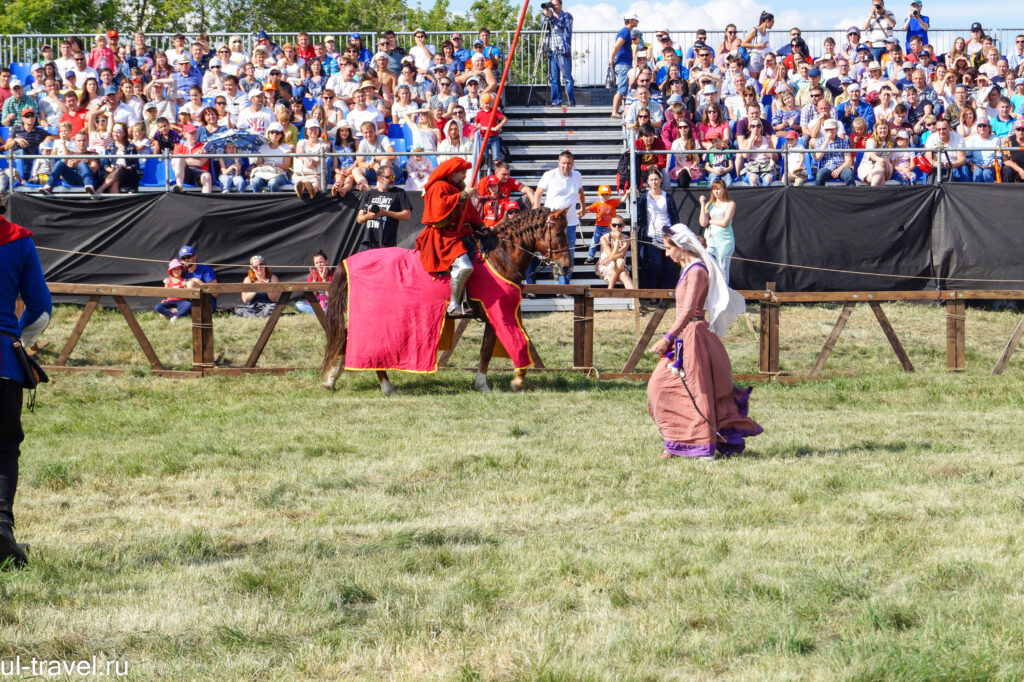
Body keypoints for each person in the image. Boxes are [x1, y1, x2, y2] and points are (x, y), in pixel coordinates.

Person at [646, 223, 761, 460]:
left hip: (693, 335)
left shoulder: (697, 271)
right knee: (662, 387)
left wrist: (666, 338)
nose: (667, 253)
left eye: (669, 248)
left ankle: (701, 445)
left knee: (697, 391)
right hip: (684, 336)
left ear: (681, 246)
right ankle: (677, 441)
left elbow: (689, 310)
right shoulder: (687, 269)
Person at [0, 204, 51, 569]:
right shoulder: (19, 241)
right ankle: (1, 527)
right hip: (3, 362)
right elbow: (41, 308)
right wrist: (14, 337)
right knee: (3, 448)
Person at [414, 157, 486, 317]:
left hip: (464, 235)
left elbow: (471, 212)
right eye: (462, 173)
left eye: (466, 173)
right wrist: (461, 196)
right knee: (464, 267)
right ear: (452, 173)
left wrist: (481, 226)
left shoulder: (457, 188)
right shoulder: (439, 187)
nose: (465, 176)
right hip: (445, 236)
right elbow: (439, 213)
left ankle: (472, 301)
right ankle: (453, 306)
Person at [533, 150, 585, 285]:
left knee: (570, 256)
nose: (565, 166)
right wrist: (536, 212)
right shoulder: (549, 175)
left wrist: (583, 207)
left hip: (571, 222)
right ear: (558, 162)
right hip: (552, 223)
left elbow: (580, 192)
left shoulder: (577, 175)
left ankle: (564, 286)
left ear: (573, 164)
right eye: (563, 163)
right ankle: (561, 286)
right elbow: (538, 193)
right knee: (557, 254)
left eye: (568, 163)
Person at [636, 167, 679, 291]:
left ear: (661, 180)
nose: (654, 182)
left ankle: (665, 294)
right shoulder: (644, 197)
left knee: (668, 266)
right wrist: (638, 199)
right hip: (651, 235)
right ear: (648, 182)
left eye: (656, 179)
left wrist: (675, 233)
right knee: (655, 265)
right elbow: (640, 216)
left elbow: (674, 216)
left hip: (668, 235)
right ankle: (653, 294)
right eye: (651, 180)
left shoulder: (668, 197)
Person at [356, 166, 412, 250]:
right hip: (368, 242)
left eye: (393, 176)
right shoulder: (369, 194)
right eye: (389, 177)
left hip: (387, 243)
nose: (393, 179)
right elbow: (359, 219)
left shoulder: (399, 193)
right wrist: (369, 216)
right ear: (380, 178)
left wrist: (384, 213)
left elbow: (407, 215)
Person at [698, 179, 736, 285]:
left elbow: (725, 223)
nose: (716, 192)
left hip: (725, 241)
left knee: (723, 269)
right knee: (707, 265)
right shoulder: (709, 205)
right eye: (714, 189)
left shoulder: (730, 204)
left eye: (719, 189)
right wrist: (702, 203)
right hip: (711, 241)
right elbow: (703, 222)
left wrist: (710, 221)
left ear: (724, 189)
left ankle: (725, 297)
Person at [543, 0, 575, 107]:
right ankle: (556, 101)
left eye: (556, 5)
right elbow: (542, 26)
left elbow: (563, 25)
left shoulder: (567, 16)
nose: (554, 7)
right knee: (554, 78)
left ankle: (571, 101)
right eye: (552, 5)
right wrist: (545, 15)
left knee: (567, 77)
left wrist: (552, 17)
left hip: (563, 50)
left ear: (561, 5)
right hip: (552, 50)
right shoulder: (549, 15)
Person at [609, 13, 641, 118]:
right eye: (636, 20)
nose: (638, 22)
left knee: (623, 89)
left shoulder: (625, 31)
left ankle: (616, 111)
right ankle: (614, 112)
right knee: (622, 89)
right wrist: (611, 58)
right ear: (631, 21)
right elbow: (617, 45)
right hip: (623, 65)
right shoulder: (625, 32)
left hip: (623, 64)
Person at [584, 185, 621, 264]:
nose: (604, 196)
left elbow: (622, 201)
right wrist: (580, 211)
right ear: (598, 195)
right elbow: (588, 208)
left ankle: (609, 256)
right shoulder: (597, 204)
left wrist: (627, 193)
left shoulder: (612, 202)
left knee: (608, 243)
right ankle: (590, 257)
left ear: (610, 195)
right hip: (599, 227)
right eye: (602, 194)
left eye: (606, 194)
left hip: (610, 227)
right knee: (594, 242)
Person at [812, 119, 855, 185]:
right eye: (827, 129)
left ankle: (852, 194)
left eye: (832, 129)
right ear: (824, 130)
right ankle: (818, 195)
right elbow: (817, 158)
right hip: (827, 167)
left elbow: (848, 161)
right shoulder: (819, 141)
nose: (830, 131)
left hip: (841, 167)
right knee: (820, 175)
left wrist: (839, 169)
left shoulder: (843, 141)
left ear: (836, 129)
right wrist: (826, 141)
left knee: (849, 175)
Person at [595, 217, 633, 290]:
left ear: (624, 226)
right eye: (614, 225)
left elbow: (621, 254)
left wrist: (611, 258)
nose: (617, 227)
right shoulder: (604, 238)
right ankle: (635, 300)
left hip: (618, 265)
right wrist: (617, 240)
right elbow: (611, 255)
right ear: (610, 225)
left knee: (621, 266)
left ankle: (610, 288)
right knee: (622, 266)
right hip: (605, 266)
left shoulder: (627, 238)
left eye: (620, 225)